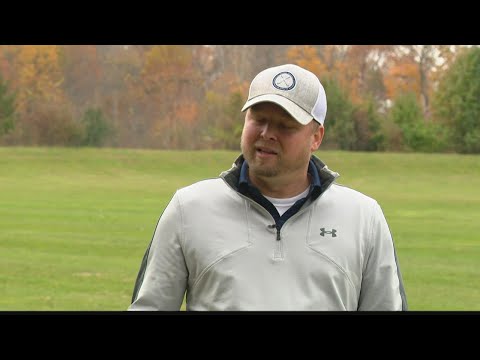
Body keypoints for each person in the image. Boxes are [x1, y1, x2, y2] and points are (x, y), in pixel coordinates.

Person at [128, 63, 408, 311]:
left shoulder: (363, 217)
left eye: (285, 125)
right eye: (258, 119)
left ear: (316, 137)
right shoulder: (188, 209)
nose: (266, 134)